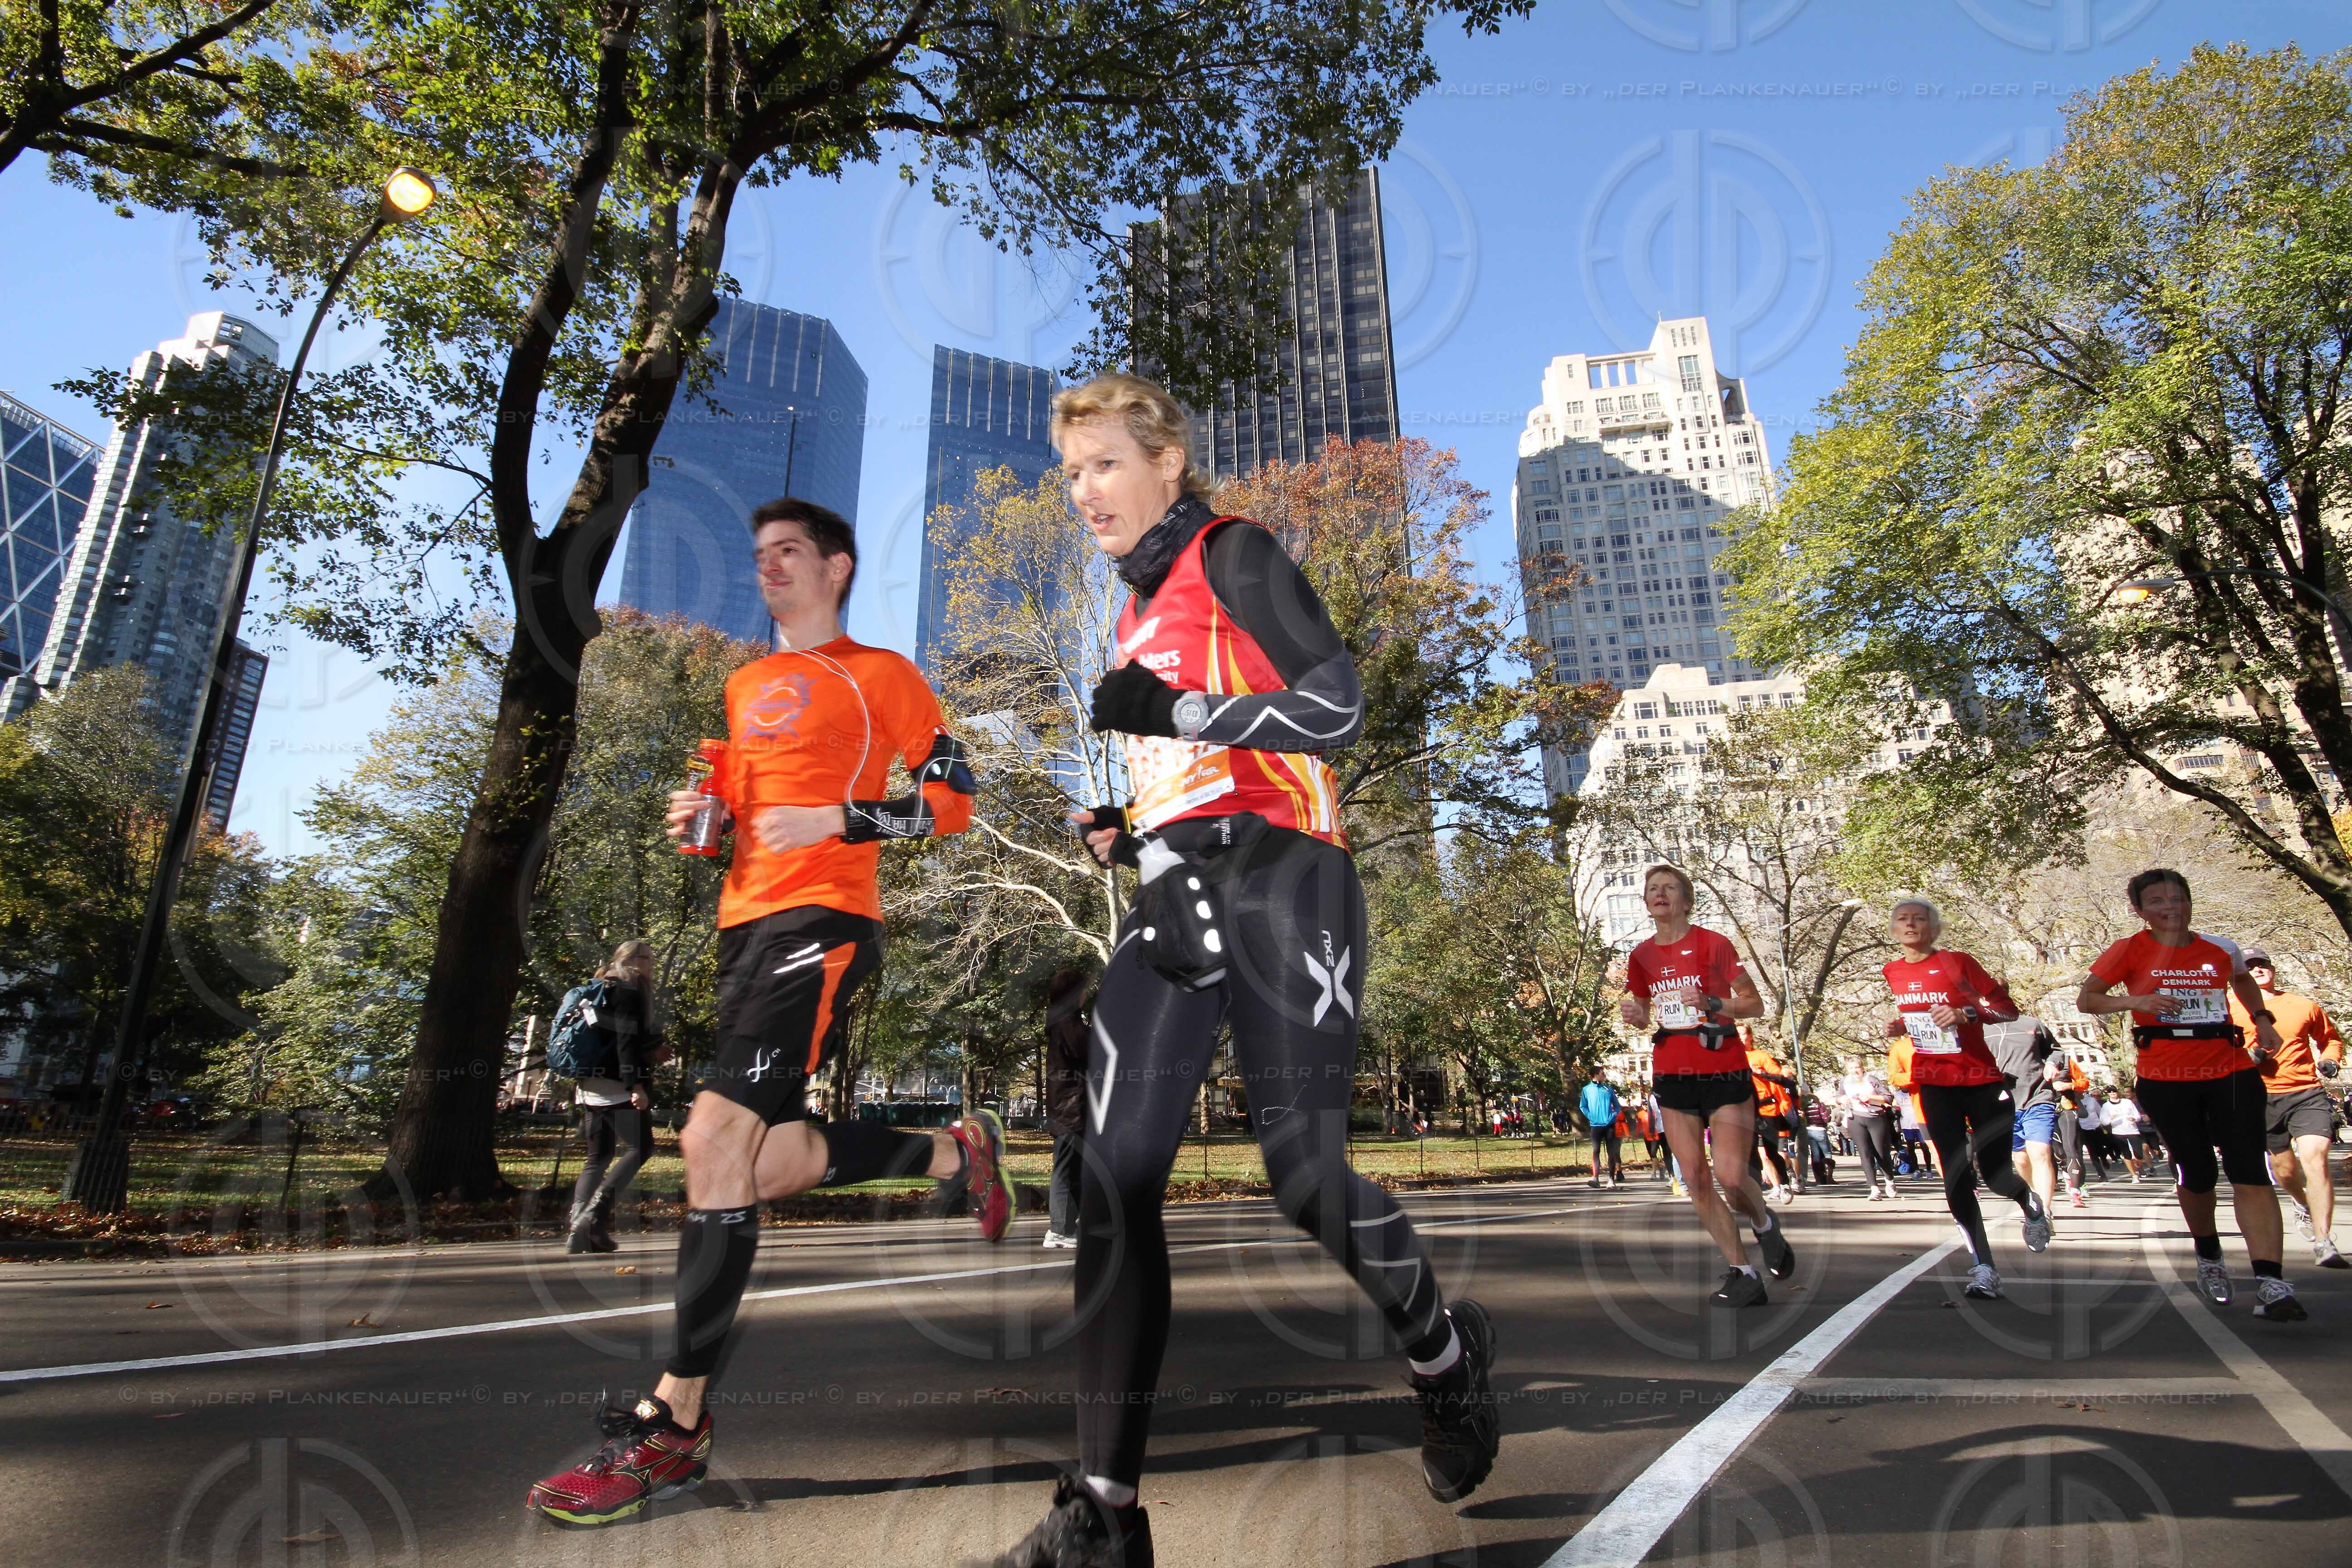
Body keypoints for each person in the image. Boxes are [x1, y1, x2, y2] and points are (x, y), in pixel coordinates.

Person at [988, 376, 1497, 1568]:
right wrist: (1132, 822)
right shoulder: (1129, 617)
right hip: (1173, 895)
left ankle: (1446, 1356)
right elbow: (1190, 762)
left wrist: (1179, 704)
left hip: (1285, 880)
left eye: (1104, 465)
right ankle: (1102, 1513)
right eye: (1071, 476)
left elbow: (1335, 702)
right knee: (1112, 1183)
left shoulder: (1233, 551)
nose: (1085, 494)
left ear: (1166, 460)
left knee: (1305, 1179)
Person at [526, 497, 1005, 1525]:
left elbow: (953, 798)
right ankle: (954, 1155)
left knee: (710, 1137)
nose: (768, 568)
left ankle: (675, 1421)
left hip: (824, 919)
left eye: (789, 552)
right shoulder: (745, 684)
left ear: (837, 566)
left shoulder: (883, 674)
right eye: (757, 556)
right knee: (766, 1158)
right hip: (744, 928)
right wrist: (704, 821)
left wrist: (837, 813)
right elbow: (732, 814)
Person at [2078, 867, 2300, 1320]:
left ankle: (2271, 1281)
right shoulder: (2128, 950)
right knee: (2196, 1172)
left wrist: (2261, 1021)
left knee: (2249, 1169)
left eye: (2178, 898)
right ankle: (2209, 1253)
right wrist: (2135, 1002)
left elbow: (2241, 981)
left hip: (2230, 1067)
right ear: (2140, 911)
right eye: (2158, 901)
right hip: (2166, 1073)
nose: (2171, 907)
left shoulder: (2221, 948)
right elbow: (2089, 999)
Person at [1620, 864, 1793, 1309]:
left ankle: (1765, 1225)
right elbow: (1643, 1012)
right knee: (1695, 1176)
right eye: (1652, 889)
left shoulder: (1713, 945)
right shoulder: (1640, 956)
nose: (1660, 894)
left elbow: (1753, 1003)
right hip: (1674, 1075)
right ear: (1646, 902)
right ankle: (1742, 1272)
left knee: (1732, 1178)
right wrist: (1636, 1016)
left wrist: (1714, 1002)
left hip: (1723, 1071)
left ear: (1686, 899)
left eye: (1669, 887)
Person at [1879, 898, 2055, 1299]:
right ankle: (1983, 1267)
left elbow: (2007, 1010)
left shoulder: (1959, 963)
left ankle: (2028, 1200)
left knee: (1995, 1175)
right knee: (1956, 1174)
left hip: (1981, 1080)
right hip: (1935, 1083)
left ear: (1934, 928)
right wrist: (1901, 1025)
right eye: (1902, 920)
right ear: (1893, 930)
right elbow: (1921, 1019)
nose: (1910, 925)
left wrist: (1968, 1015)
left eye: (1919, 918)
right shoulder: (1893, 971)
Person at [2232, 948, 2349, 1269]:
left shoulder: (2302, 1005)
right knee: (2285, 1170)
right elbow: (2215, 1052)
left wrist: (2329, 1061)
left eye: (2262, 965)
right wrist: (2248, 1059)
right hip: (2261, 1096)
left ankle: (2324, 1241)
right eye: (2250, 967)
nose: (2257, 971)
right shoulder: (2229, 1008)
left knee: (2316, 1157)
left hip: (2306, 1093)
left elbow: (2331, 1039)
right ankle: (2302, 1202)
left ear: (2272, 969)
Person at [567, 940, 665, 1254]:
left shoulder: (599, 985)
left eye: (652, 957)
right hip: (616, 1084)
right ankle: (593, 1219)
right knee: (642, 1147)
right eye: (644, 957)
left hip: (589, 1083)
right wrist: (635, 1086)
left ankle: (578, 1226)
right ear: (627, 959)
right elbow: (625, 1041)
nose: (650, 963)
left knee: (599, 1157)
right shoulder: (629, 988)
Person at [1984, 1012, 2063, 1232]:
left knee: (2040, 1153)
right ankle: (2034, 1202)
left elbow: (2055, 1051)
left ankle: (2044, 1214)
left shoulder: (2032, 1024)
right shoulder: (1977, 1029)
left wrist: (2053, 1064)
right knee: (2021, 1158)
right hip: (2003, 1102)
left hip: (2038, 1098)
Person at [1041, 967, 1092, 1250]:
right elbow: (1090, 1051)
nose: (1086, 994)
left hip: (1070, 1106)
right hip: (1070, 1108)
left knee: (1076, 1168)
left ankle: (1070, 1227)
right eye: (1083, 989)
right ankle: (1059, 1230)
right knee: (1066, 1169)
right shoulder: (1067, 1022)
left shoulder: (1066, 1021)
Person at [1745, 1034, 1799, 1201]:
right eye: (1736, 1034)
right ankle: (1761, 1189)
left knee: (1771, 1152)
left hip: (1767, 1109)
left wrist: (1760, 1073)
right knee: (1751, 1152)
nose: (1739, 1038)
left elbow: (1780, 1077)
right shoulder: (1728, 1057)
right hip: (1744, 1110)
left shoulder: (1760, 1056)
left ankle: (1784, 1184)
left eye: (1742, 1034)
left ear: (1750, 1037)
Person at [1841, 1056, 1901, 1199]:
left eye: (1858, 1068)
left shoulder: (1871, 1079)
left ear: (1863, 1068)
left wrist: (1870, 1097)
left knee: (1881, 1153)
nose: (1855, 1071)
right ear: (1848, 1070)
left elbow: (1888, 1097)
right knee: (1865, 1154)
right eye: (1852, 1069)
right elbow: (1839, 1097)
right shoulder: (1845, 1082)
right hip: (1855, 1118)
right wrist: (1841, 1100)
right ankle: (1874, 1189)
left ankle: (1890, 1181)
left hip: (1876, 1118)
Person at [1580, 1073, 1622, 1186]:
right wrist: (1591, 1116)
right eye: (1602, 1074)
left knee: (1611, 1152)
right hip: (1596, 1126)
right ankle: (1595, 1179)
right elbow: (1583, 1106)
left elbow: (1618, 1106)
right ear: (1595, 1075)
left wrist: (1613, 1116)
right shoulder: (1587, 1089)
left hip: (1609, 1126)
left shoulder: (1608, 1089)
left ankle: (1611, 1179)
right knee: (1596, 1151)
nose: (1604, 1075)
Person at [2102, 1088, 2148, 1181]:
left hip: (2132, 1130)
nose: (2112, 1094)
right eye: (2110, 1092)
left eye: (2114, 1091)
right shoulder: (2106, 1106)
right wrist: (2111, 1118)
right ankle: (2134, 1176)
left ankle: (2139, 1166)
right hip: (2118, 1132)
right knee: (2126, 1154)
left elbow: (2138, 1116)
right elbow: (2103, 1121)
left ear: (2118, 1093)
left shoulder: (2127, 1102)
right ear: (2108, 1094)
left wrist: (2134, 1118)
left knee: (2139, 1154)